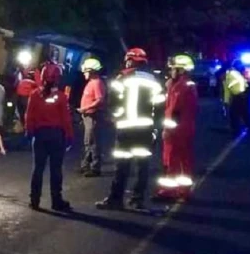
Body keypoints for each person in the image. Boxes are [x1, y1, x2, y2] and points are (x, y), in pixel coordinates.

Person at [96, 47, 165, 211]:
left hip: (125, 129)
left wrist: (116, 117)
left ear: (131, 60)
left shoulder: (122, 77)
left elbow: (113, 103)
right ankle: (137, 200)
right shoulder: (154, 80)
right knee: (142, 166)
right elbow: (160, 106)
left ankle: (115, 199)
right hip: (145, 129)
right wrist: (156, 127)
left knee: (122, 165)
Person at [25, 79, 73, 211]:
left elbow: (29, 115)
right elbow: (65, 119)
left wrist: (29, 131)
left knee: (38, 169)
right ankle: (56, 200)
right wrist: (69, 135)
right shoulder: (61, 97)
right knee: (56, 169)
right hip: (56, 136)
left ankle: (35, 200)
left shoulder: (35, 95)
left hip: (40, 135)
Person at [156, 54, 199, 200]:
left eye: (173, 69)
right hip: (186, 129)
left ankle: (168, 191)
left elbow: (174, 110)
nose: (170, 72)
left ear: (181, 70)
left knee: (171, 159)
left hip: (176, 131)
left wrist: (167, 130)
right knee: (184, 160)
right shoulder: (186, 85)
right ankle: (184, 191)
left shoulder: (179, 87)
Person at [78, 58, 106, 177]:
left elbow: (100, 100)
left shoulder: (97, 83)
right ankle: (85, 165)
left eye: (85, 71)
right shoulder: (91, 82)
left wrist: (85, 108)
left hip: (92, 115)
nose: (84, 73)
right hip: (88, 116)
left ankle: (95, 167)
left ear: (92, 71)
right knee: (88, 141)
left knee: (92, 142)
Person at [224, 60, 250, 135]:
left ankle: (238, 129)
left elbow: (229, 88)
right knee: (240, 112)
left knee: (238, 113)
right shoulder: (234, 74)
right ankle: (245, 127)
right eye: (240, 65)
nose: (242, 67)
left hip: (240, 95)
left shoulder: (235, 73)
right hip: (239, 95)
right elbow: (229, 87)